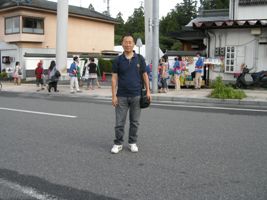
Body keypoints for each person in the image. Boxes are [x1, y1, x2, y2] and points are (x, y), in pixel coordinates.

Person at [111, 34, 151, 154]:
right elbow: (114, 79)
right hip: (121, 95)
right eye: (125, 42)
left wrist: (148, 91)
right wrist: (113, 96)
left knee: (134, 122)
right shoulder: (117, 60)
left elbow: (145, 75)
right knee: (119, 122)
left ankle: (132, 142)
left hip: (136, 95)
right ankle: (118, 143)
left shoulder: (139, 58)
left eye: (130, 42)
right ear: (122, 44)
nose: (128, 44)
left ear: (133, 44)